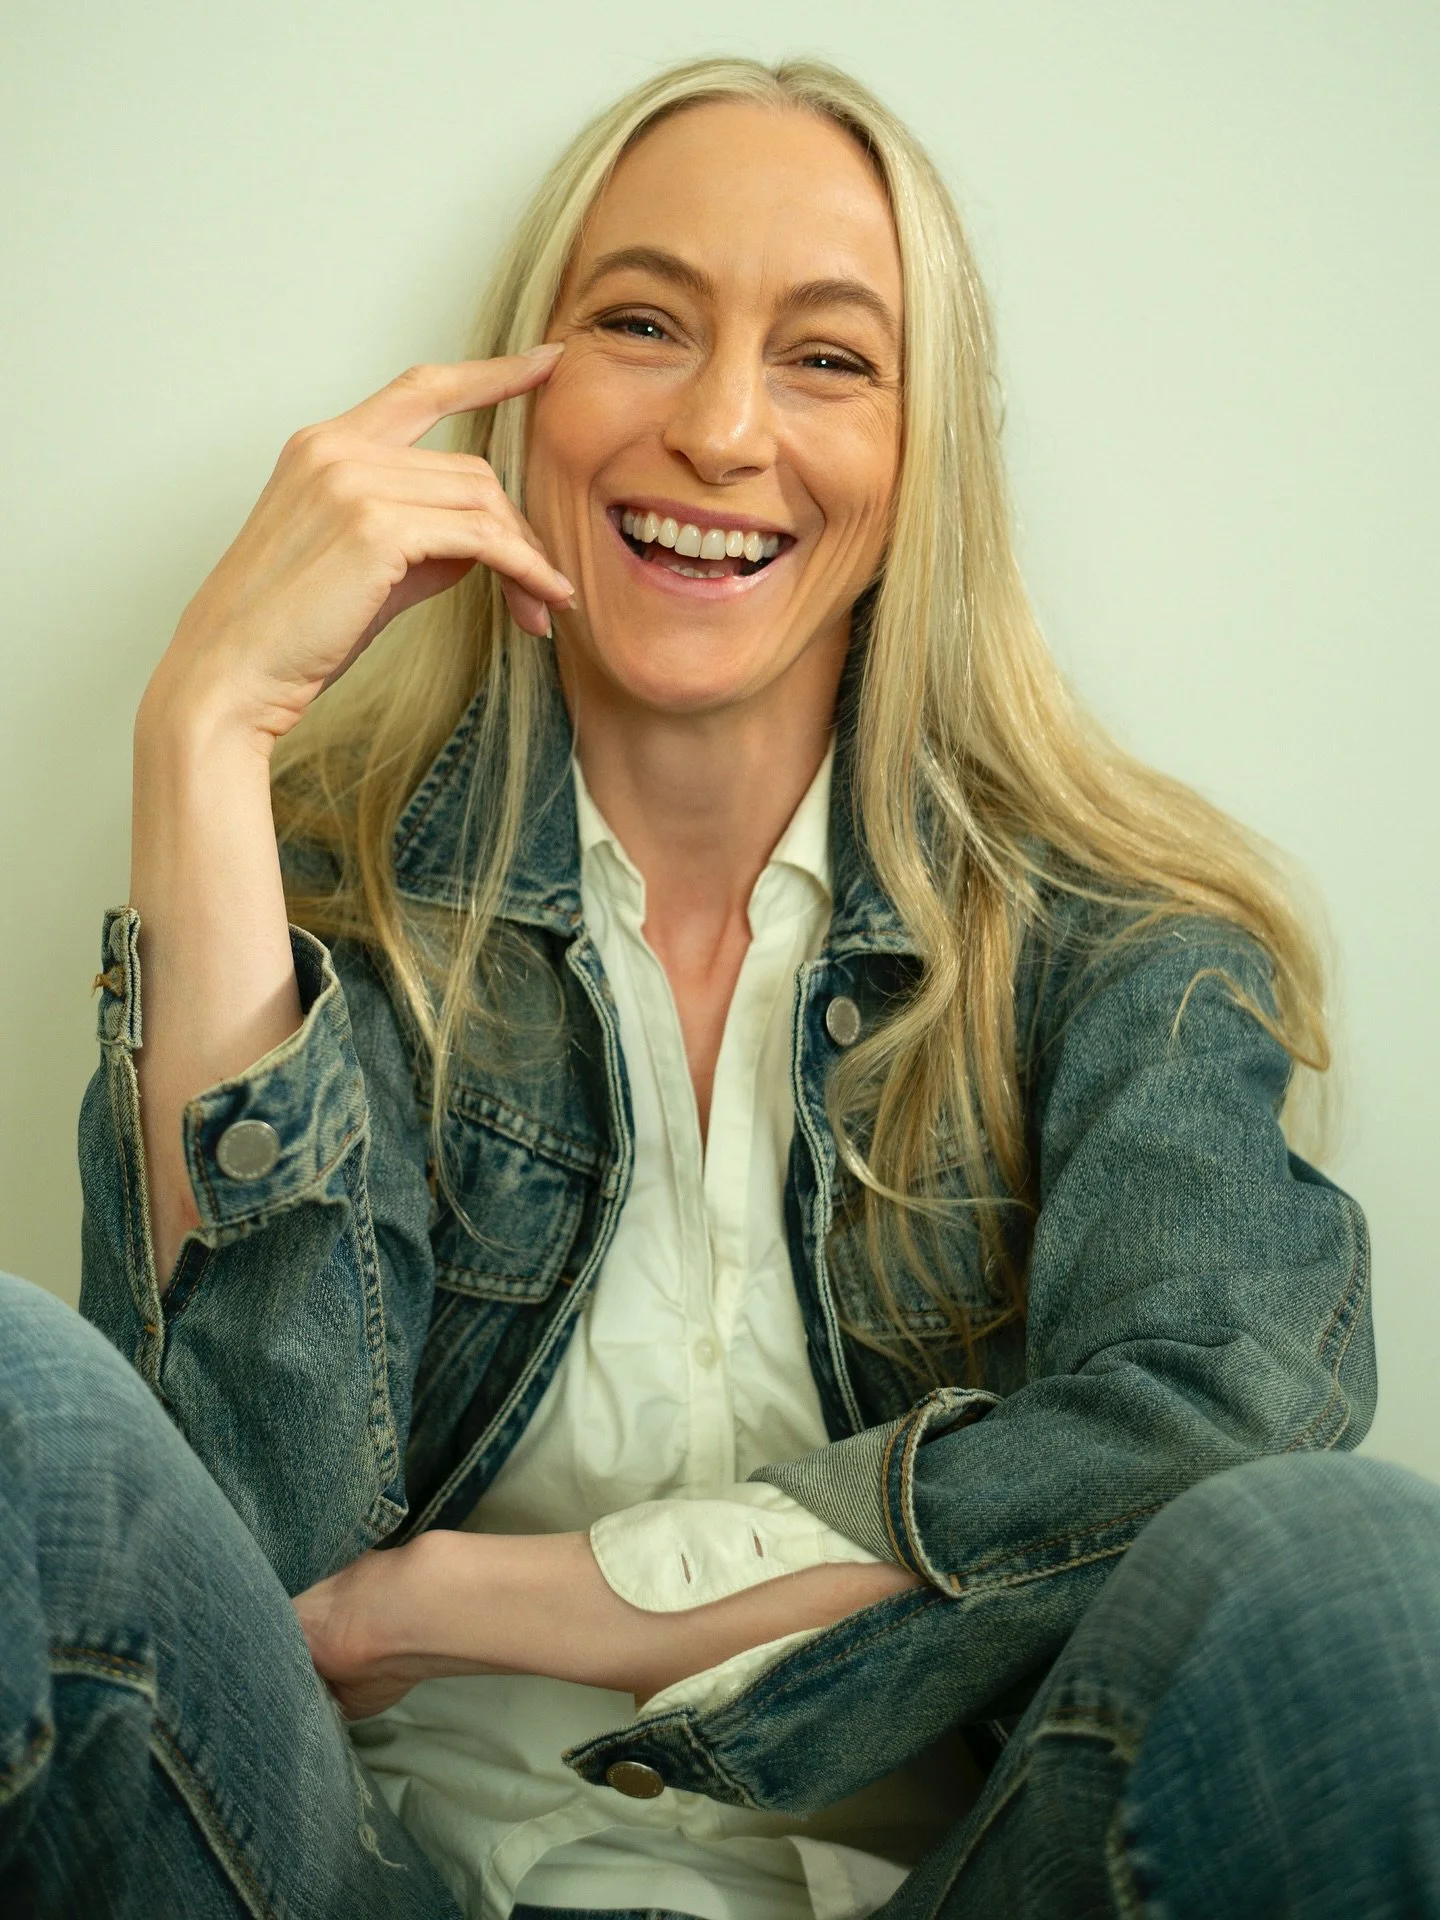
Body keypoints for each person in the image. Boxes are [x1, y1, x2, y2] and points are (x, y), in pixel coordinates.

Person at [7, 49, 1433, 1920]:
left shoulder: (1120, 945)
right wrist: (203, 731)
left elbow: (1231, 1422)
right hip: (364, 1884)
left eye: (829, 357)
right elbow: (234, 1577)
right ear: (520, 393)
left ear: (924, 461)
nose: (724, 428)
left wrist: (496, 1601)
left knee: (1353, 1564)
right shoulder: (320, 907)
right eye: (641, 323)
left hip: (969, 1887)